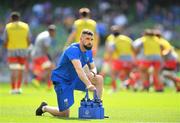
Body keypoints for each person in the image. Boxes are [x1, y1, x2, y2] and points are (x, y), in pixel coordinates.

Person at [35, 29, 104, 117]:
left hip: (75, 79)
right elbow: (79, 69)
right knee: (64, 114)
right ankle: (44, 107)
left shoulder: (89, 51)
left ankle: (96, 108)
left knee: (99, 78)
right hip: (62, 80)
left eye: (91, 39)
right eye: (87, 39)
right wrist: (88, 84)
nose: (89, 42)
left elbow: (93, 67)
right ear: (81, 39)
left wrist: (93, 73)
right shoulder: (73, 49)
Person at [2, 12, 31, 94]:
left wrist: (6, 47)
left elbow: (5, 40)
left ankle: (13, 89)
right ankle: (18, 88)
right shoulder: (25, 26)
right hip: (23, 50)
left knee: (13, 70)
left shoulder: (8, 26)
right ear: (19, 18)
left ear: (11, 18)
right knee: (21, 70)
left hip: (12, 50)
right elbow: (29, 39)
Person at [31, 24, 56, 89]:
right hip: (40, 55)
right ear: (52, 32)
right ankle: (37, 80)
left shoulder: (44, 34)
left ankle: (49, 85)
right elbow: (46, 49)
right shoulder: (47, 37)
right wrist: (50, 58)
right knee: (50, 67)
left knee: (48, 68)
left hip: (35, 54)